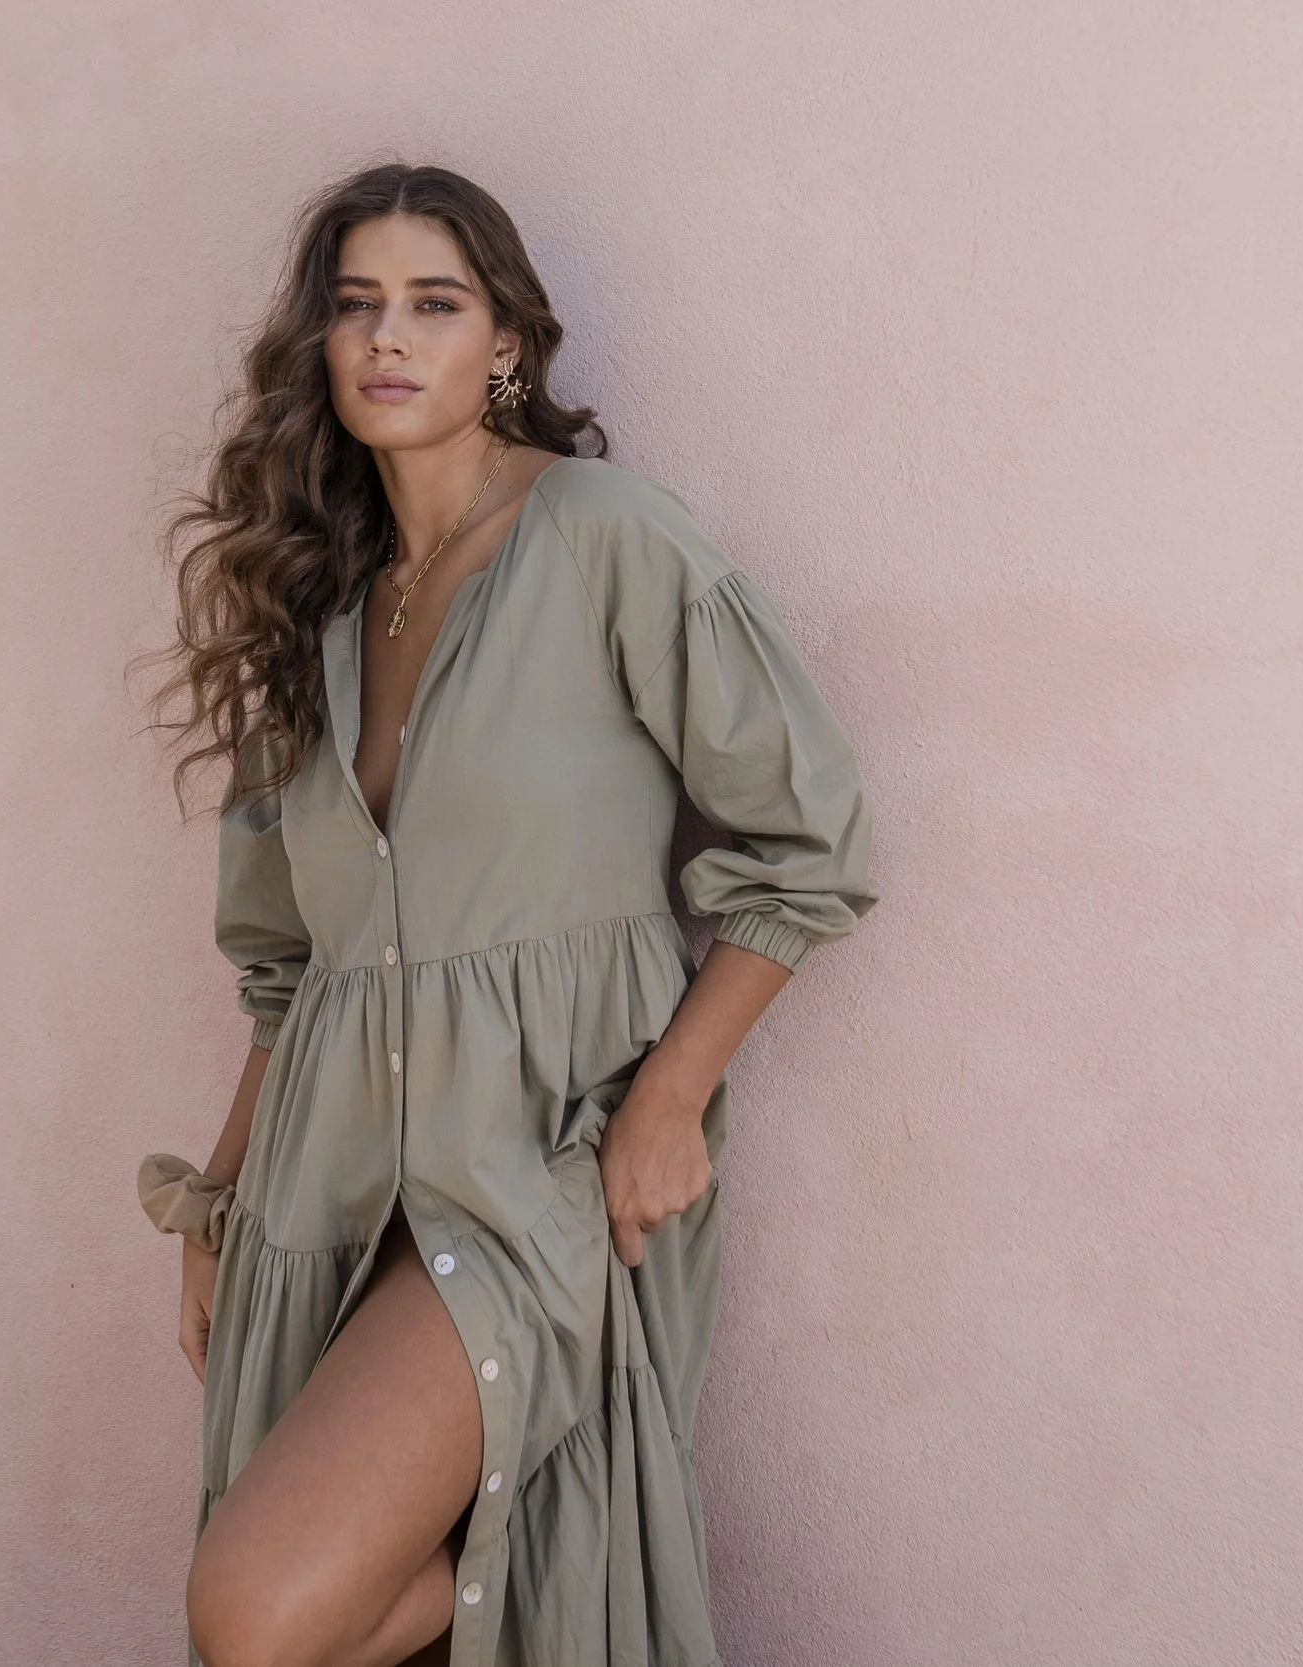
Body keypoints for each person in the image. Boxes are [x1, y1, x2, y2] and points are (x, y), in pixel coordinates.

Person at [135, 162, 878, 1667]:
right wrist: (218, 1201)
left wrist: (670, 1099)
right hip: (327, 1184)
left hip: (539, 1166)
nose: (387, 338)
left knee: (255, 1611)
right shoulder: (317, 602)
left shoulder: (604, 535)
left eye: (435, 303)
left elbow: (808, 840)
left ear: (508, 346)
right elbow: (287, 969)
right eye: (356, 305)